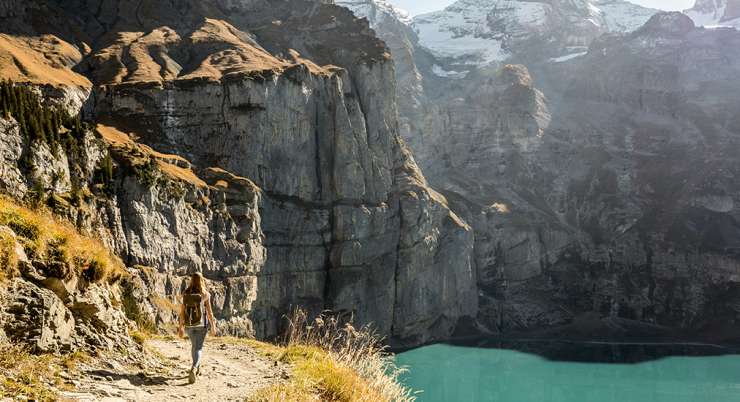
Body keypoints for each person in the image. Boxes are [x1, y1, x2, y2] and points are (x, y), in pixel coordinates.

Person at [178, 272, 217, 384]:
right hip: (201, 324)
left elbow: (181, 312)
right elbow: (209, 312)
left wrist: (180, 327)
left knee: (194, 346)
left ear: (191, 280)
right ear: (201, 280)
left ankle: (197, 368)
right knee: (198, 348)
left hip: (189, 324)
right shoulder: (205, 294)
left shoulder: (185, 293)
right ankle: (194, 368)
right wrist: (213, 326)